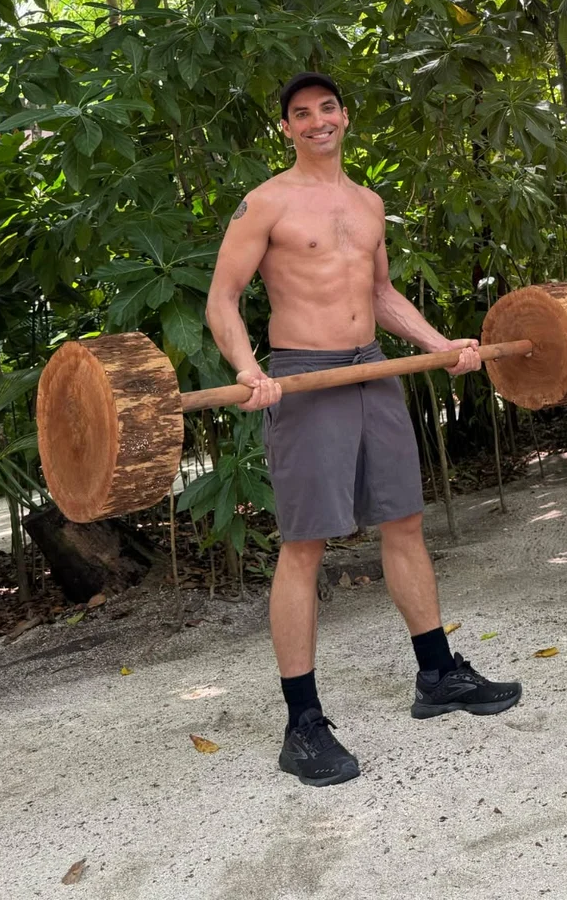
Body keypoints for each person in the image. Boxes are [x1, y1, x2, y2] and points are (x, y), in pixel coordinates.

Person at [205, 72, 521, 786]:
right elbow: (222, 299)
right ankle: (302, 723)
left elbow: (379, 293)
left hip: (370, 368)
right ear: (286, 128)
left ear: (344, 116)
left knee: (403, 521)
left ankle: (437, 674)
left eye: (327, 108)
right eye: (301, 114)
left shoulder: (368, 202)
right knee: (304, 544)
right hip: (302, 374)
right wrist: (248, 367)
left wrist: (441, 345)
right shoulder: (267, 202)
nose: (318, 121)